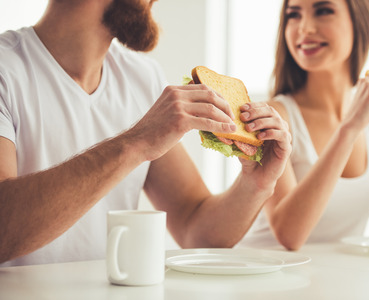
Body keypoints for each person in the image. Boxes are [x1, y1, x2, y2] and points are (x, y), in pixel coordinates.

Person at [0, 0, 292, 266]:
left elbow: (196, 232)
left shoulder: (142, 78)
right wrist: (135, 143)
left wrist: (256, 184)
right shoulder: (6, 69)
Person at [238, 0, 369, 250]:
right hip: (266, 282)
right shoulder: (275, 119)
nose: (304, 28)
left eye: (323, 11)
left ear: (359, 22)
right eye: (293, 15)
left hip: (334, 284)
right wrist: (349, 129)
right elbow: (290, 235)